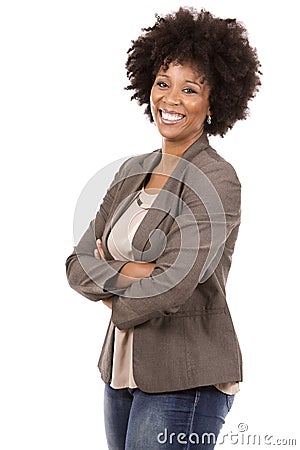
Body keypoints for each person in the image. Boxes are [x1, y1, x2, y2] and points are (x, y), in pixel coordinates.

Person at [66, 7, 261, 450]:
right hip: (120, 371)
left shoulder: (217, 179)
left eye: (189, 89)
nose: (170, 100)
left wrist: (110, 271)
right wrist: (140, 270)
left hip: (185, 377)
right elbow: (77, 263)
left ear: (215, 102)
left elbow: (175, 285)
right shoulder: (132, 171)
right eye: (162, 83)